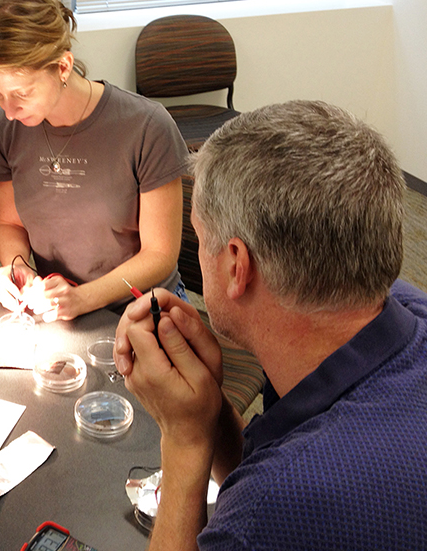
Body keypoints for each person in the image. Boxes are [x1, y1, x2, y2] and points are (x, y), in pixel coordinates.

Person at [114, 100, 427, 550]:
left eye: (200, 240)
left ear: (237, 265)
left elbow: (282, 490)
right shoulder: (402, 302)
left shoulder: (271, 508)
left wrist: (183, 443)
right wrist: (212, 411)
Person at [0, 0, 189, 322]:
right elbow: (8, 222)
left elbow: (160, 255)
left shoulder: (146, 126)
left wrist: (84, 298)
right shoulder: (5, 126)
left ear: (63, 66)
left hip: (142, 305)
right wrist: (17, 266)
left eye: (22, 94)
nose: (9, 111)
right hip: (60, 309)